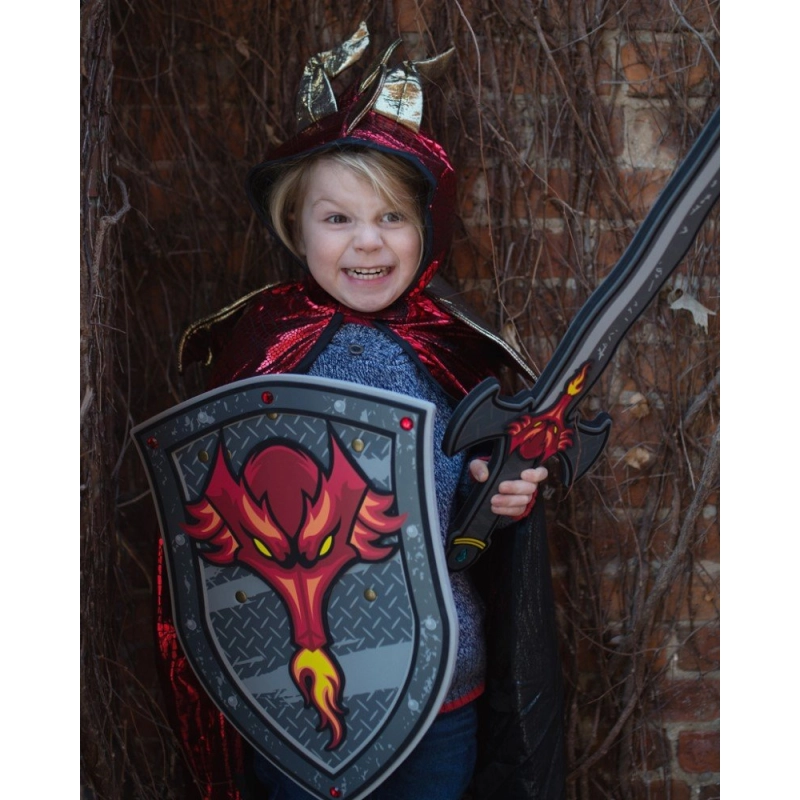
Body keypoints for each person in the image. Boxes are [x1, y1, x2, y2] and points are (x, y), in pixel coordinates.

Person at [162, 25, 566, 800]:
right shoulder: (262, 348)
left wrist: (501, 496)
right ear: (296, 229)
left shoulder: (452, 348)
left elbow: (464, 523)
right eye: (338, 219)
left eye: (391, 217)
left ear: (426, 227)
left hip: (440, 686)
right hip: (291, 695)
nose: (367, 243)